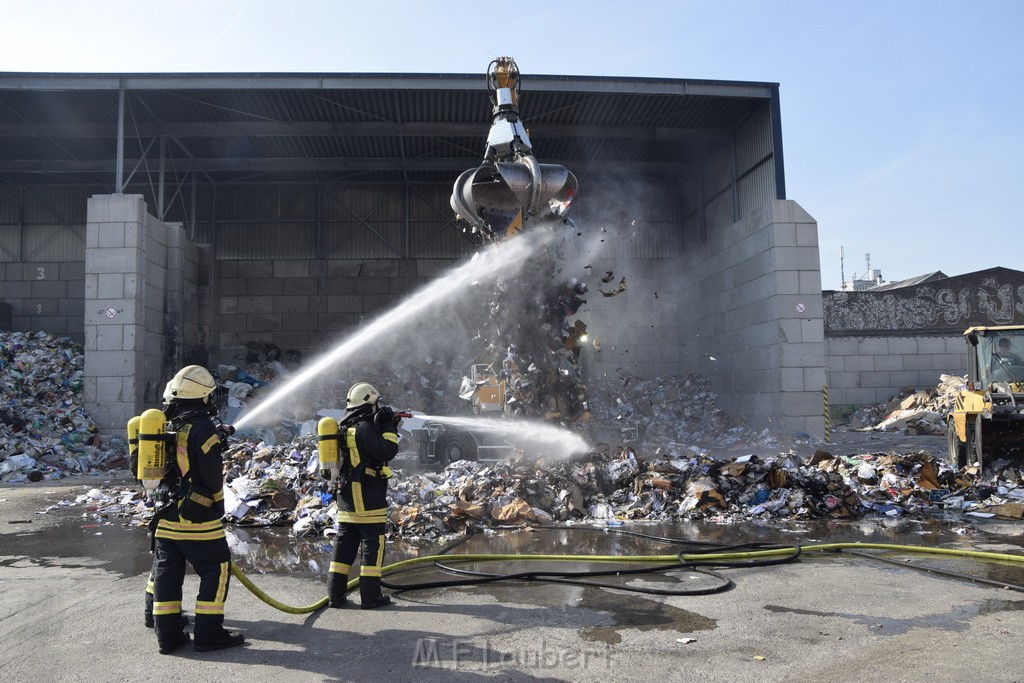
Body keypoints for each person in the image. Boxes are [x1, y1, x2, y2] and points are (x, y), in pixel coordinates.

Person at [150, 365, 244, 655]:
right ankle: (209, 633)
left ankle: (168, 637)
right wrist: (216, 505)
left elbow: (181, 457)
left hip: (165, 513)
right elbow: (211, 473)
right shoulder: (201, 425)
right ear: (203, 396)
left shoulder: (166, 422)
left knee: (167, 574)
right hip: (196, 516)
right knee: (216, 570)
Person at [324, 381, 401, 610]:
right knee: (372, 546)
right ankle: (370, 597)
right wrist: (389, 427)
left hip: (346, 497)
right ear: (369, 402)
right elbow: (388, 450)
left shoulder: (343, 425)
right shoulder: (364, 427)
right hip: (367, 496)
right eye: (376, 403)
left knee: (344, 547)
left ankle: (335, 596)